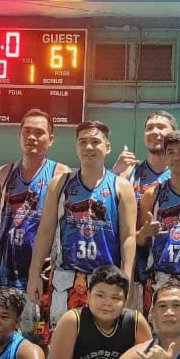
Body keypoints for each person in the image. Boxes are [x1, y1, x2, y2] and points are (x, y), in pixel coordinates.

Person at [25, 121, 137, 346]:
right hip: (66, 276)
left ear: (107, 147)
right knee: (59, 343)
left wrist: (127, 280)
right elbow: (46, 230)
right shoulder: (61, 183)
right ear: (76, 147)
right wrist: (34, 274)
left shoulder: (121, 187)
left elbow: (128, 238)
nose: (88, 147)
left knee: (101, 345)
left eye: (95, 142)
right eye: (82, 142)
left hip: (105, 280)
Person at [0, 109, 71, 344]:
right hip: (6, 268)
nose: (32, 137)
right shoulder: (5, 173)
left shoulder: (60, 173)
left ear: (51, 139)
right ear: (19, 135)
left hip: (42, 270)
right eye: (27, 131)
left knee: (41, 338)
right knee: (4, 335)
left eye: (39, 132)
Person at [113, 111, 177, 310]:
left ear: (174, 133)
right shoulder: (128, 174)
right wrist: (113, 172)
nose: (155, 132)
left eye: (161, 127)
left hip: (175, 268)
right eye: (150, 128)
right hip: (135, 270)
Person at [138, 130, 180, 315]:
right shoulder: (152, 195)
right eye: (171, 152)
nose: (176, 157)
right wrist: (145, 232)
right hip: (160, 277)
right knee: (158, 334)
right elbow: (137, 240)